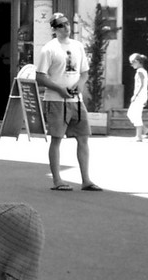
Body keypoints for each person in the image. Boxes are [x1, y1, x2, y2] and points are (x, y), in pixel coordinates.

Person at [36, 13, 102, 191]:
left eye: (66, 24)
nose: (66, 27)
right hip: (56, 100)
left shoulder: (77, 46)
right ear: (54, 29)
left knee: (83, 138)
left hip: (76, 100)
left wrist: (80, 85)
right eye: (61, 25)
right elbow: (40, 77)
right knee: (57, 139)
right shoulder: (49, 49)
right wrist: (59, 89)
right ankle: (57, 180)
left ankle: (86, 180)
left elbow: (84, 72)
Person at [127, 52, 148, 141]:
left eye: (132, 63)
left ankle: (139, 136)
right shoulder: (143, 71)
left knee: (134, 114)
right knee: (132, 114)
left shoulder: (140, 71)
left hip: (139, 96)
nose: (131, 65)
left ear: (137, 62)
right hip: (142, 96)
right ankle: (144, 130)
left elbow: (141, 85)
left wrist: (135, 95)